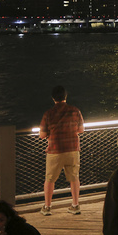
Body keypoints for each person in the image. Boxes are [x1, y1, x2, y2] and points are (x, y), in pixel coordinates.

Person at [38, 85, 84, 216]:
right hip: (72, 149)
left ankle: (47, 207)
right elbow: (81, 130)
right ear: (65, 96)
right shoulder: (75, 111)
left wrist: (48, 134)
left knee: (50, 179)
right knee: (74, 177)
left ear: (53, 98)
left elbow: (42, 134)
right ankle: (75, 205)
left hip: (55, 150)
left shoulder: (48, 114)